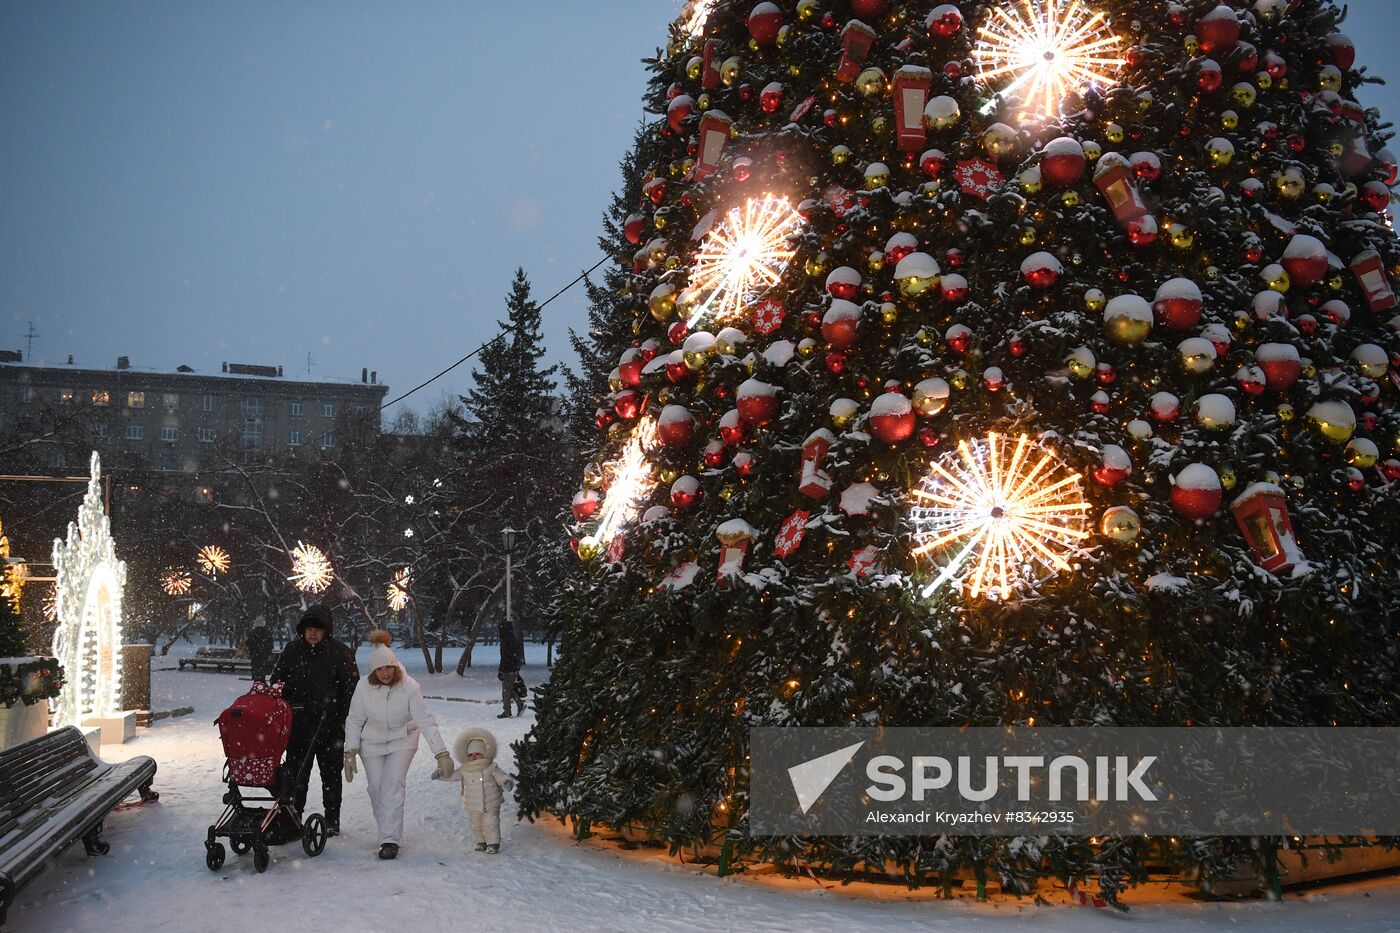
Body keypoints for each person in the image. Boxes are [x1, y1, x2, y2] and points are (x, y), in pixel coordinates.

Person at [343, 629, 452, 860]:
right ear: (373, 670)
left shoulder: (409, 686)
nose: (385, 673)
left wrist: (441, 753)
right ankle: (386, 830)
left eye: (388, 668)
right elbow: (354, 720)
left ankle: (389, 840)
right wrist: (350, 751)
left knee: (392, 783)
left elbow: (425, 720)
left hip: (403, 739)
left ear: (395, 666)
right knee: (376, 787)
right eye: (380, 669)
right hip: (371, 742)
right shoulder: (363, 687)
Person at [272, 603, 359, 837]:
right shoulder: (291, 651)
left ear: (326, 631)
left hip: (329, 726)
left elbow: (352, 689)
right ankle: (293, 816)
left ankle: (332, 819)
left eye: (318, 629)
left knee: (330, 776)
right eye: (309, 628)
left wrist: (341, 716)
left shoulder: (340, 652)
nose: (313, 633)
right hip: (298, 725)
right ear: (302, 630)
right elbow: (277, 683)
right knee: (296, 775)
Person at [442, 727, 513, 854]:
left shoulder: (491, 767)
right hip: (473, 803)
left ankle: (493, 843)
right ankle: (481, 841)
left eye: (477, 753)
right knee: (476, 823)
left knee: (491, 822)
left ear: (484, 753)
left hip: (491, 802)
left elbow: (501, 776)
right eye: (471, 755)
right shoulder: (465, 769)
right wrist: (442, 775)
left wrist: (506, 781)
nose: (474, 757)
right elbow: (452, 776)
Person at [496, 617, 526, 719]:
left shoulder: (505, 640)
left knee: (506, 690)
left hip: (508, 668)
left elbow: (505, 657)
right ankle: (517, 705)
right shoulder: (513, 638)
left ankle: (508, 710)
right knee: (510, 688)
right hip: (513, 668)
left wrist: (501, 670)